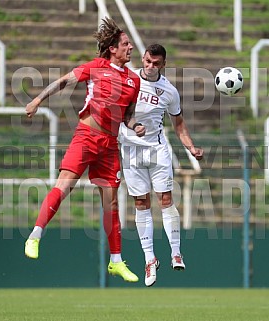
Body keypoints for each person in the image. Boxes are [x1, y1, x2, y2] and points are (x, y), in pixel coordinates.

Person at [24, 17, 146, 283]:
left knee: (111, 202)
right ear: (113, 48)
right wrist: (37, 99)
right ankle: (35, 235)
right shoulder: (96, 67)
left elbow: (128, 116)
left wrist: (136, 126)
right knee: (64, 185)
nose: (131, 48)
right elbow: (63, 82)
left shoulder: (134, 81)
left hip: (110, 145)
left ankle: (116, 261)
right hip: (87, 137)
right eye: (126, 44)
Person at [118, 44, 203, 286]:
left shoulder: (169, 91)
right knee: (140, 202)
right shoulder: (130, 79)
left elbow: (178, 123)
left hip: (157, 150)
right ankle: (149, 259)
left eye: (156, 63)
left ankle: (176, 252)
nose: (150, 66)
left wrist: (191, 147)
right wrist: (132, 127)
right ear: (143, 59)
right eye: (147, 61)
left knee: (165, 199)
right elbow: (118, 110)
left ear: (163, 64)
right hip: (131, 151)